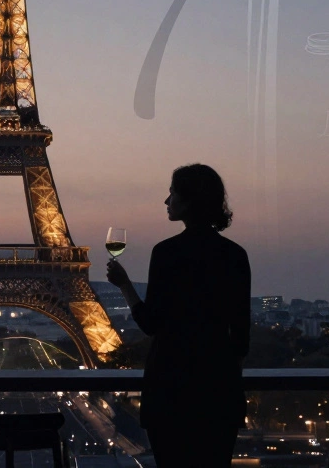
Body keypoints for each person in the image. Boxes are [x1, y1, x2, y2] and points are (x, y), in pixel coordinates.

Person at [107, 163, 251, 467]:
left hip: (170, 389)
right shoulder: (235, 255)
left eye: (172, 193)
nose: (166, 200)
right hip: (217, 391)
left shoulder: (167, 253)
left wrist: (124, 285)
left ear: (188, 201)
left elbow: (150, 323)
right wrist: (223, 379)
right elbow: (240, 337)